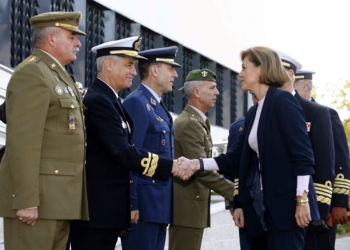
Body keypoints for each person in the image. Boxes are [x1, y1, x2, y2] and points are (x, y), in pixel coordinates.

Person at [180, 46, 320, 250]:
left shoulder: (283, 102)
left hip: (286, 209)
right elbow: (236, 158)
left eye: (244, 68)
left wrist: (301, 201)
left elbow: (303, 156)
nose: (240, 74)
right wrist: (196, 163)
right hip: (262, 209)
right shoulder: (255, 111)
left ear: (261, 69)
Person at [68, 37, 195, 250]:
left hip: (106, 213)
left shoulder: (112, 100)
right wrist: (169, 166)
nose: (134, 72)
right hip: (97, 213)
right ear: (108, 65)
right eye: (129, 65)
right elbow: (123, 151)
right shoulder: (99, 100)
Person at [0, 11, 89, 250]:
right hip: (36, 204)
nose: (78, 43)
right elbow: (23, 143)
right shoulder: (33, 73)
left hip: (58, 202)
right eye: (72, 36)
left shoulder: (59, 77)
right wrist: (26, 200)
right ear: (51, 38)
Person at [168, 68, 236, 250]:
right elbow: (200, 170)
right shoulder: (190, 123)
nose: (218, 92)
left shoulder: (197, 121)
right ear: (197, 92)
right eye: (212, 88)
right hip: (187, 210)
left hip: (192, 208)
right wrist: (235, 192)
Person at [121, 46, 181, 250]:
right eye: (170, 68)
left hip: (159, 207)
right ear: (154, 70)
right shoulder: (137, 103)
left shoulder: (157, 105)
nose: (175, 74)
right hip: (143, 208)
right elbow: (130, 155)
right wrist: (132, 203)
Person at [294, 70, 350, 249]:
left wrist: (338, 203)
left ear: (305, 85)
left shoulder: (325, 113)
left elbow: (340, 161)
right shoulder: (286, 113)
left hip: (322, 204)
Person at [225, 92, 259, 250]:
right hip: (247, 202)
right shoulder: (239, 127)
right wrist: (233, 202)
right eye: (254, 95)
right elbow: (232, 167)